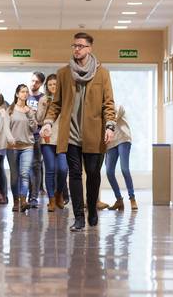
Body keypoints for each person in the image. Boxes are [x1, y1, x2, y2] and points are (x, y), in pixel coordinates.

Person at [41, 32, 116, 232]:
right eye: (74, 45)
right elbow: (56, 104)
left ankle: (92, 208)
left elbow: (109, 104)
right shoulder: (64, 73)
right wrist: (48, 122)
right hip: (71, 134)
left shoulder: (103, 73)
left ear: (90, 48)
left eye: (81, 46)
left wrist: (110, 126)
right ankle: (79, 217)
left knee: (92, 174)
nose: (77, 49)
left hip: (94, 134)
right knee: (74, 174)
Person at [37, 74, 69, 212]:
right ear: (47, 86)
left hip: (62, 139)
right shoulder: (43, 99)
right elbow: (38, 119)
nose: (52, 87)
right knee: (50, 170)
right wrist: (44, 107)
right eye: (50, 85)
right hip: (47, 140)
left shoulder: (65, 99)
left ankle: (59, 193)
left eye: (55, 84)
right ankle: (51, 199)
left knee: (63, 169)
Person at [7, 84, 37, 212]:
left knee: (24, 174)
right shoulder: (10, 110)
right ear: (17, 94)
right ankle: (15, 201)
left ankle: (23, 201)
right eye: (22, 92)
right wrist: (9, 140)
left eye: (26, 92)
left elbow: (34, 128)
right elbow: (6, 129)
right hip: (12, 147)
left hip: (27, 146)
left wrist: (30, 115)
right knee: (14, 177)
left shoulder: (29, 110)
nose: (25, 94)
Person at [104, 104, 137, 211]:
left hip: (123, 139)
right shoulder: (101, 112)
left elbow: (113, 119)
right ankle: (119, 200)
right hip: (111, 143)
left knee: (124, 169)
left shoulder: (119, 107)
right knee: (109, 172)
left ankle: (132, 198)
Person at [27, 72, 46, 207]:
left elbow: (42, 118)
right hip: (23, 134)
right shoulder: (24, 95)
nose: (34, 84)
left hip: (37, 134)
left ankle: (33, 196)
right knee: (25, 167)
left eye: (37, 82)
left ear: (41, 84)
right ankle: (25, 194)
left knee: (36, 165)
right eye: (32, 81)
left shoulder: (43, 98)